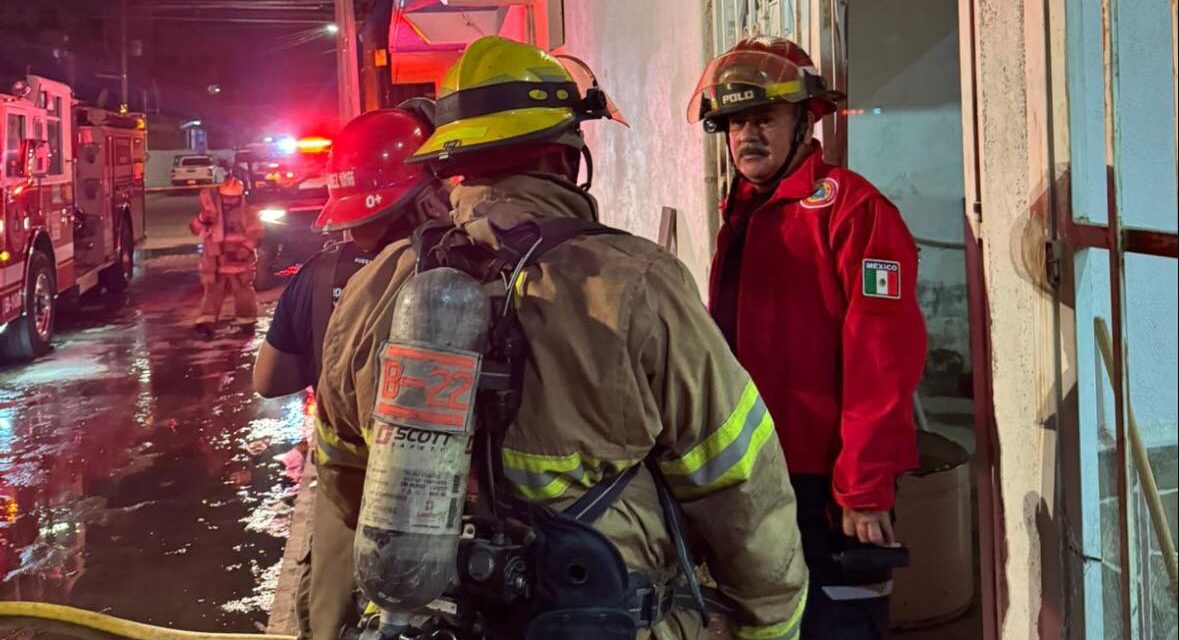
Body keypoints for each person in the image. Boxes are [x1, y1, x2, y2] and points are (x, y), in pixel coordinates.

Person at [315, 36, 809, 640]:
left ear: (452, 163)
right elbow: (738, 479)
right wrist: (771, 625)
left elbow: (343, 473)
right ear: (566, 157)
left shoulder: (374, 289)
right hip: (599, 616)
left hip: (439, 615)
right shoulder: (635, 284)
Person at [687, 36, 927, 638]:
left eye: (763, 117)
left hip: (829, 484)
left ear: (804, 119)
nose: (746, 135)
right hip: (752, 474)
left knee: (837, 620)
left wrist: (863, 486)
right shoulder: (743, 215)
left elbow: (883, 360)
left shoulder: (854, 211)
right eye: (736, 122)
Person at [250, 101, 450, 640]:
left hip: (349, 502)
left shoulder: (319, 276)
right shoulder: (464, 269)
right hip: (445, 514)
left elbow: (268, 381)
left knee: (330, 617)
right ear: (428, 191)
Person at [190, 173, 261, 331]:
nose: (229, 201)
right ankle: (207, 320)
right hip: (215, 260)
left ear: (240, 197)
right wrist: (202, 218)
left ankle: (246, 320)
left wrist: (245, 249)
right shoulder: (211, 213)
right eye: (226, 198)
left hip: (239, 261)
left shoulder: (248, 212)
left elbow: (256, 233)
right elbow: (195, 229)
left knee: (242, 290)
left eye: (233, 198)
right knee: (212, 290)